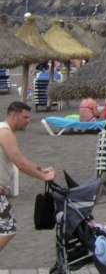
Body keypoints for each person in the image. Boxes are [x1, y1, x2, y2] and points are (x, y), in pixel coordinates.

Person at [0, 102, 56, 252]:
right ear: (14, 115)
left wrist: (40, 170)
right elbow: (20, 164)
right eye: (25, 117)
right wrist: (43, 177)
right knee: (9, 228)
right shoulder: (5, 133)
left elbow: (21, 160)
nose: (28, 121)